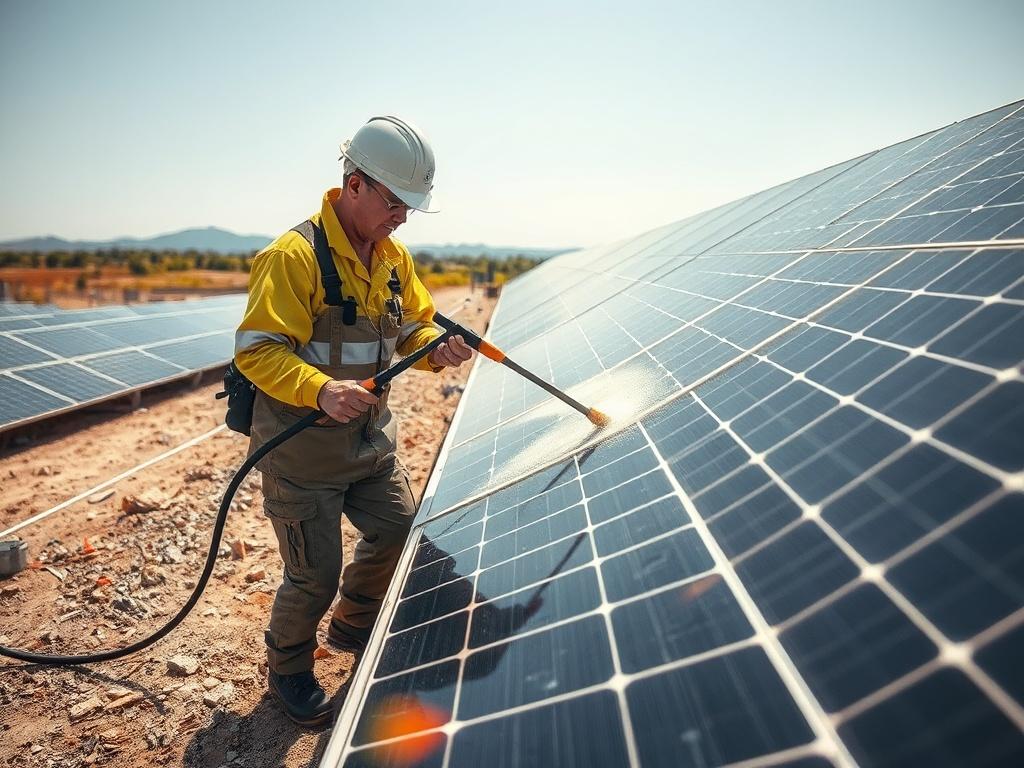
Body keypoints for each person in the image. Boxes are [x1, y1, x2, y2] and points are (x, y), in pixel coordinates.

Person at [234, 116, 473, 726]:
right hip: (302, 455)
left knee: (399, 531)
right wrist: (318, 390)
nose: (402, 217)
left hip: (370, 446)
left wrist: (435, 346)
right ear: (355, 183)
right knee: (313, 575)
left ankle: (352, 624)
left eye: (410, 207)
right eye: (396, 202)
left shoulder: (392, 259)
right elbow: (257, 349)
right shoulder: (293, 257)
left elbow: (415, 324)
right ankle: (288, 667)